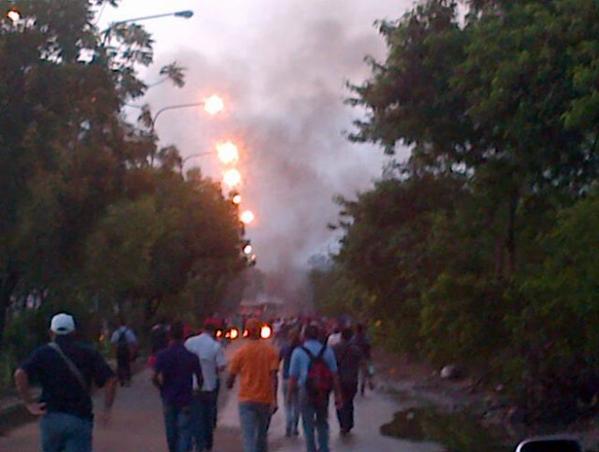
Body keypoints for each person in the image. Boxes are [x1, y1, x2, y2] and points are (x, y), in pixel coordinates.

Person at [14, 313, 117, 452]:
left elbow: (20, 374)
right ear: (74, 332)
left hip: (51, 417)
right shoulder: (88, 352)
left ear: (51, 332)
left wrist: (29, 403)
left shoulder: (42, 353)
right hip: (79, 418)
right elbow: (110, 379)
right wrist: (107, 409)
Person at [227, 318, 279, 452]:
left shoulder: (240, 352)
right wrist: (275, 399)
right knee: (262, 437)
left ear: (246, 332)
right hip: (265, 399)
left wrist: (230, 383)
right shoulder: (270, 352)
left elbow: (231, 377)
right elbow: (274, 377)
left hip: (246, 399)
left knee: (248, 438)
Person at [288, 324, 342, 452]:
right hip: (323, 391)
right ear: (318, 336)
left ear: (304, 336)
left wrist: (290, 396)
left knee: (308, 423)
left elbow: (293, 377)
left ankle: (311, 448)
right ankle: (323, 448)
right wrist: (338, 395)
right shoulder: (327, 351)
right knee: (322, 421)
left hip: (305, 390)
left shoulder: (298, 352)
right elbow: (334, 375)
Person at [153, 321, 203, 452]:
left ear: (169, 336)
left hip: (169, 398)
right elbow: (200, 378)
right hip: (186, 399)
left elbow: (154, 377)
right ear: (183, 337)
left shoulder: (162, 355)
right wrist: (197, 391)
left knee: (171, 432)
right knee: (185, 431)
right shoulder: (191, 357)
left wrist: (162, 388)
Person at [185, 321, 227, 452]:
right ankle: (207, 445)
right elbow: (221, 366)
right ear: (214, 332)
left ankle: (197, 443)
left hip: (192, 386)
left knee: (195, 418)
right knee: (208, 419)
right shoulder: (215, 346)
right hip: (209, 386)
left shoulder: (189, 342)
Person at [333, 327, 363, 435]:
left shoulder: (335, 348)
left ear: (341, 336)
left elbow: (331, 364)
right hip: (352, 379)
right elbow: (362, 363)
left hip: (338, 380)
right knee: (349, 402)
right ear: (351, 337)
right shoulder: (356, 350)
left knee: (339, 401)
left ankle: (342, 424)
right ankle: (349, 423)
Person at [279, 328, 301, 437]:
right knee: (297, 404)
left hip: (286, 378)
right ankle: (295, 427)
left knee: (288, 404)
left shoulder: (285, 348)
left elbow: (277, 360)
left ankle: (288, 425)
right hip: (299, 379)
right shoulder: (302, 349)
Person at [110, 319, 138, 386]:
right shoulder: (129, 332)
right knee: (127, 365)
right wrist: (133, 352)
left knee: (120, 365)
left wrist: (114, 351)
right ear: (125, 324)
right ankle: (127, 380)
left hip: (119, 350)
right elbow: (133, 342)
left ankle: (121, 380)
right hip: (126, 350)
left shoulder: (116, 332)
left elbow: (112, 342)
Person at [352, 323, 373, 395]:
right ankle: (364, 385)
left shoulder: (353, 338)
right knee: (365, 372)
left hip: (355, 358)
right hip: (364, 357)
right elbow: (369, 347)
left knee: (355, 373)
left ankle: (356, 385)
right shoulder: (366, 338)